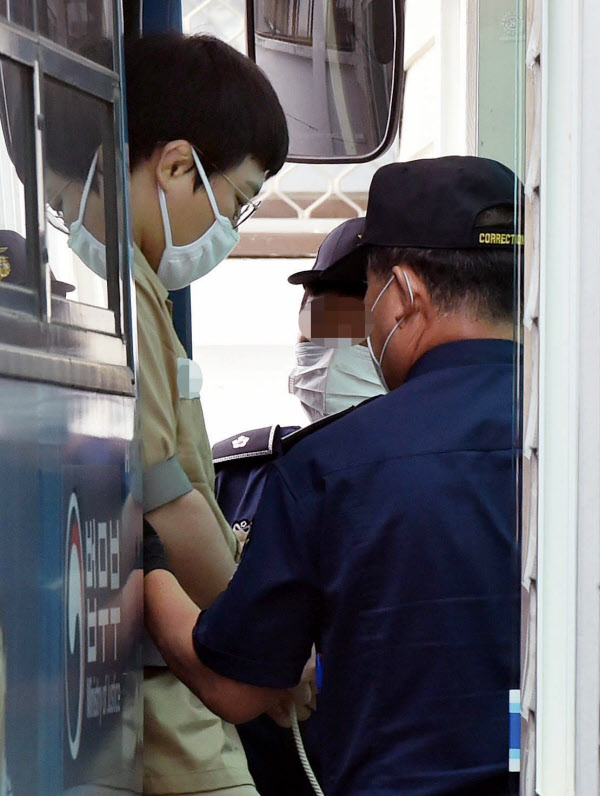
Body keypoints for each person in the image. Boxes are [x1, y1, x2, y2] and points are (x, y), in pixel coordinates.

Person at [144, 155, 522, 796]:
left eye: (365, 301)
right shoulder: (571, 440)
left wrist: (147, 570)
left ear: (402, 293)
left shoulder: (334, 466)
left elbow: (237, 687)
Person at [123, 33, 288, 796]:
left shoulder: (140, 291)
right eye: (240, 198)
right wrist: (262, 642)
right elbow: (170, 501)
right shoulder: (121, 292)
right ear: (177, 166)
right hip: (161, 688)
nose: (235, 226)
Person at [212, 217, 384, 796]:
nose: (331, 345)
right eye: (317, 317)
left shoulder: (463, 483)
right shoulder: (235, 477)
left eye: (354, 319)